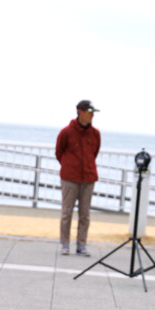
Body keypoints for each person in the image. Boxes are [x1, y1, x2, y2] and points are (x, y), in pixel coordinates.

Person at [56, 99, 101, 256]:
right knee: (66, 212)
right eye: (89, 112)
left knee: (85, 214)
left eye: (93, 113)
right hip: (70, 178)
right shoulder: (66, 132)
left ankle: (81, 244)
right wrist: (69, 166)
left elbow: (94, 152)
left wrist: (87, 167)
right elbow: (59, 152)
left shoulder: (95, 134)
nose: (91, 116)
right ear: (80, 112)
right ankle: (64, 244)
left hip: (88, 178)